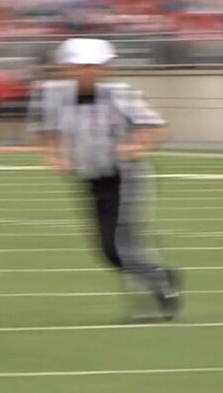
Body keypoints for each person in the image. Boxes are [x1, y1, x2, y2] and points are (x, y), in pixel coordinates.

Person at [29, 38, 181, 321]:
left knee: (122, 245)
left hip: (125, 176)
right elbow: (44, 128)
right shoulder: (51, 95)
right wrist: (53, 155)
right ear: (68, 69)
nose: (88, 72)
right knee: (106, 251)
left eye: (95, 67)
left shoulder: (119, 95)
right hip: (93, 179)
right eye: (81, 66)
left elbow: (154, 126)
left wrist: (136, 145)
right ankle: (161, 277)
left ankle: (154, 296)